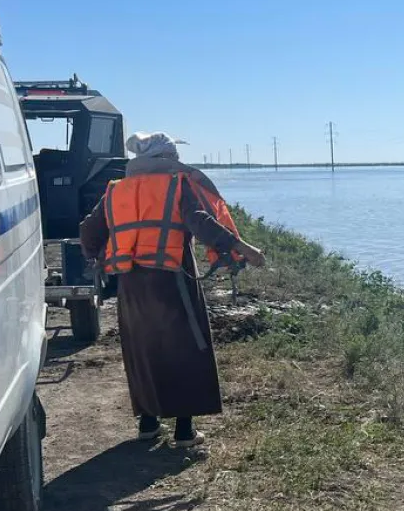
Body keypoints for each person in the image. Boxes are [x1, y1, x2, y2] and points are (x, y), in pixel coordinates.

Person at [80, 132, 267, 447]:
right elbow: (200, 222)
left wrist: (97, 258)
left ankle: (149, 424)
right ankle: (184, 431)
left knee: (144, 349)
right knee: (185, 349)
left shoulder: (116, 191)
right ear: (167, 159)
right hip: (171, 278)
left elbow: (88, 230)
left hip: (131, 283)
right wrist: (241, 247)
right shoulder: (176, 185)